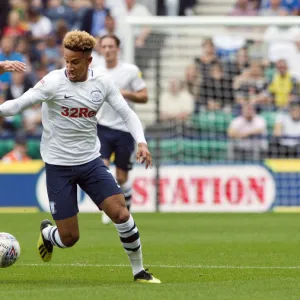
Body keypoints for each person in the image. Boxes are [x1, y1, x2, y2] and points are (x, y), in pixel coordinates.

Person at [0, 30, 160, 284]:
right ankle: (49, 234)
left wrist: (141, 142)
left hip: (90, 162)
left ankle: (139, 271)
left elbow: (127, 114)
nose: (69, 67)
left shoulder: (102, 83)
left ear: (88, 61)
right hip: (58, 167)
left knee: (121, 213)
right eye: (66, 61)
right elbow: (16, 105)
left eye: (75, 62)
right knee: (69, 238)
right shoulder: (52, 82)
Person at [96, 35, 148, 224]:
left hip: (124, 130)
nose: (108, 49)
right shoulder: (95, 71)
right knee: (102, 169)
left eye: (111, 46)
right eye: (104, 46)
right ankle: (110, 207)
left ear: (118, 49)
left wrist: (126, 93)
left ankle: (126, 199)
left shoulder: (130, 71)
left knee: (121, 177)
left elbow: (144, 96)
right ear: (100, 49)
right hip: (102, 127)